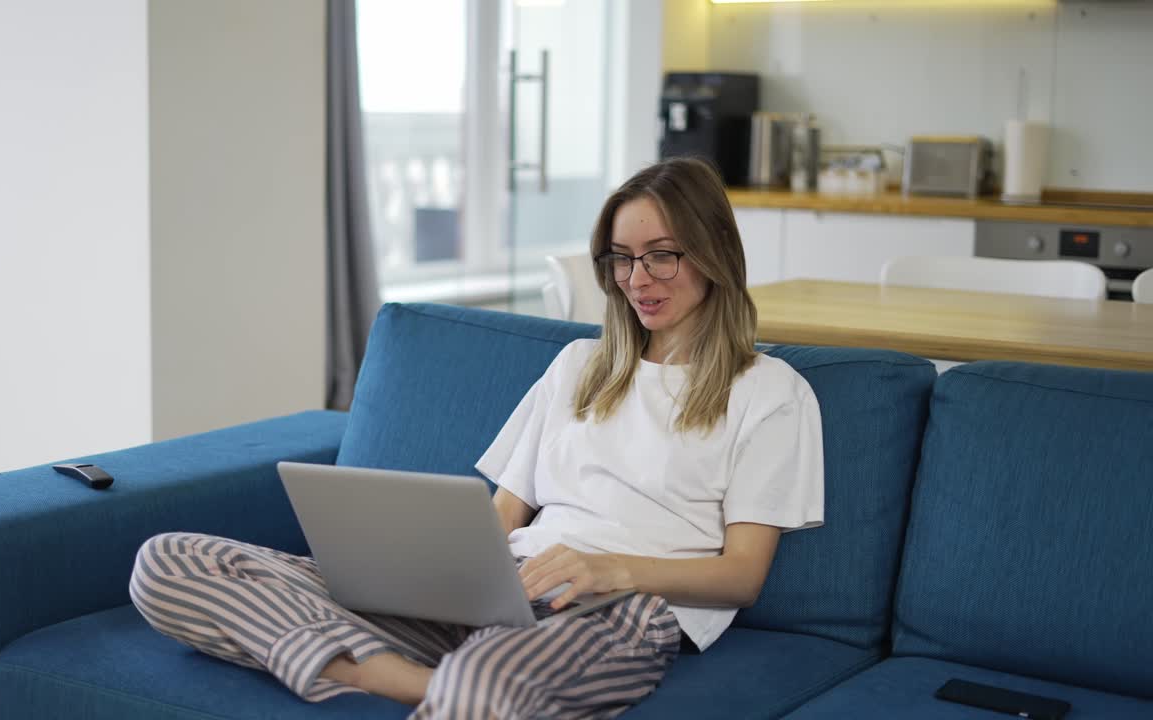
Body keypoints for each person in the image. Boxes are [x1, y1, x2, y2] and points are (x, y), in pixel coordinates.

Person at [129, 156, 824, 718]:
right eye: (619, 259)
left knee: (483, 691)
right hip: (496, 591)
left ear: (713, 252)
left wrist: (611, 567)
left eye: (661, 256)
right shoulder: (580, 366)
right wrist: (441, 574)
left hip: (616, 611)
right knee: (169, 562)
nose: (636, 280)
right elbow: (502, 514)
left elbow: (743, 575)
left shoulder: (768, 391)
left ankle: (420, 680)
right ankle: (406, 680)